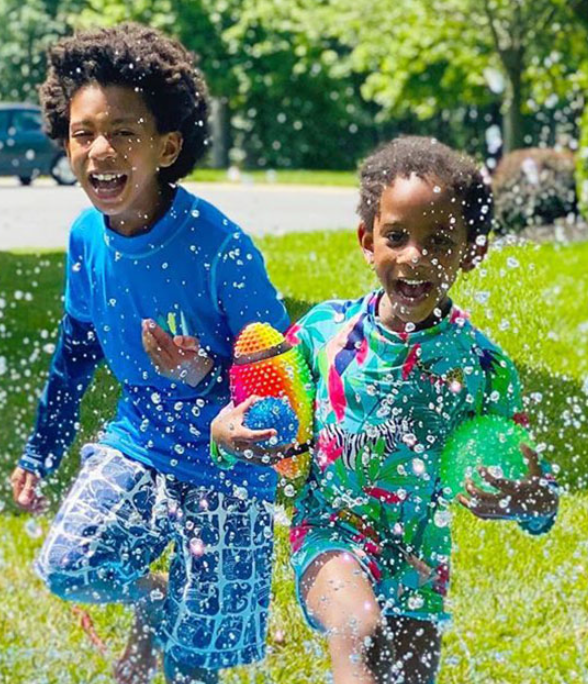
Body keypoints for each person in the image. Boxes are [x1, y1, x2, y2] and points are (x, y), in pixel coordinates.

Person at [211, 136, 559, 683]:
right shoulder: (325, 334)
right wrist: (223, 432)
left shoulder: (483, 368)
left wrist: (531, 500)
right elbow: (263, 415)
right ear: (367, 241)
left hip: (419, 559)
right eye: (396, 237)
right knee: (359, 625)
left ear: (472, 252)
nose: (414, 256)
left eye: (440, 241)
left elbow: (534, 489)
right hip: (328, 530)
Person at [10, 23, 289, 684]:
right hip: (143, 439)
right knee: (70, 566)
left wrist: (211, 378)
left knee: (199, 660)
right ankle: (155, 601)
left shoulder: (221, 249)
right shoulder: (86, 236)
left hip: (230, 467)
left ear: (166, 146)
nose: (100, 151)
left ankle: (179, 629)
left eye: (124, 133)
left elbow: (284, 371)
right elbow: (75, 351)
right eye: (84, 134)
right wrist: (40, 451)